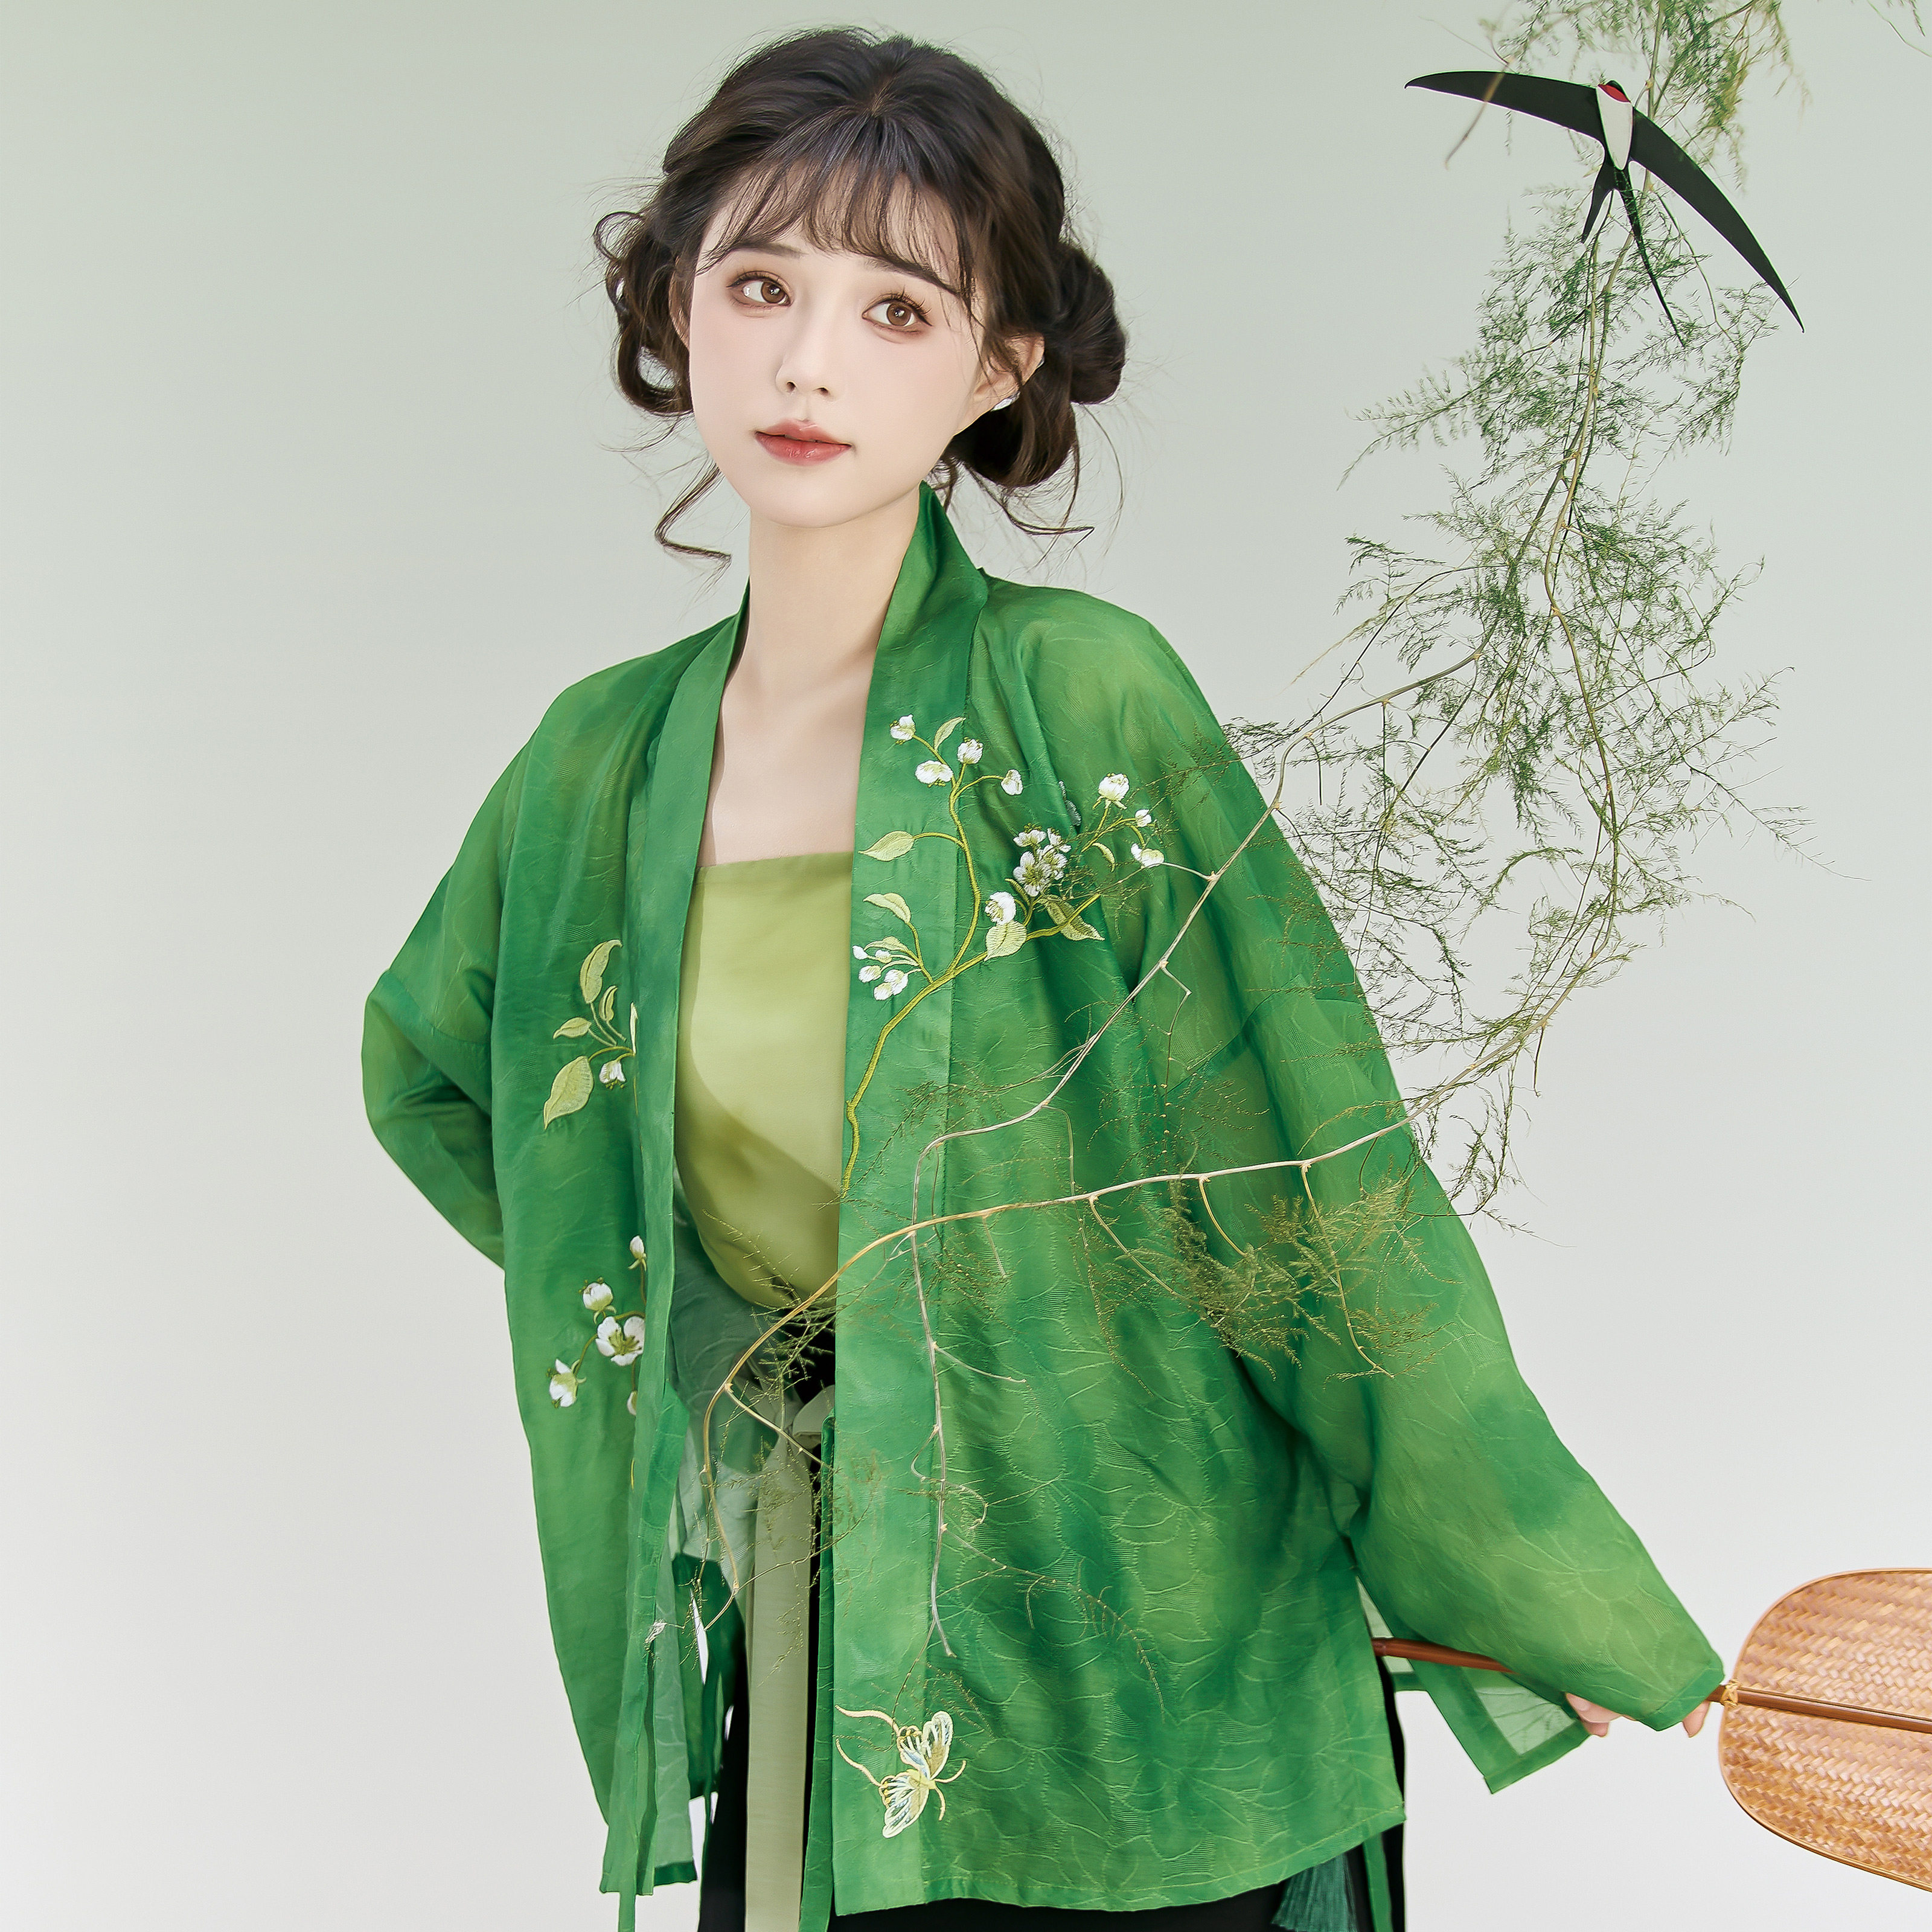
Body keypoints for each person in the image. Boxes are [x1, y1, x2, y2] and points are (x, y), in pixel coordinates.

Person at [362, 28, 1719, 1932]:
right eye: (758, 286)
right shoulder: (598, 766)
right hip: (841, 1635)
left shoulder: (1082, 698)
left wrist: (1530, 1581)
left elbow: (1312, 1184)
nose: (809, 362)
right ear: (679, 307)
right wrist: (744, 1342)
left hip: (1161, 1638)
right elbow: (435, 1074)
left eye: (894, 310)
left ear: (998, 366)